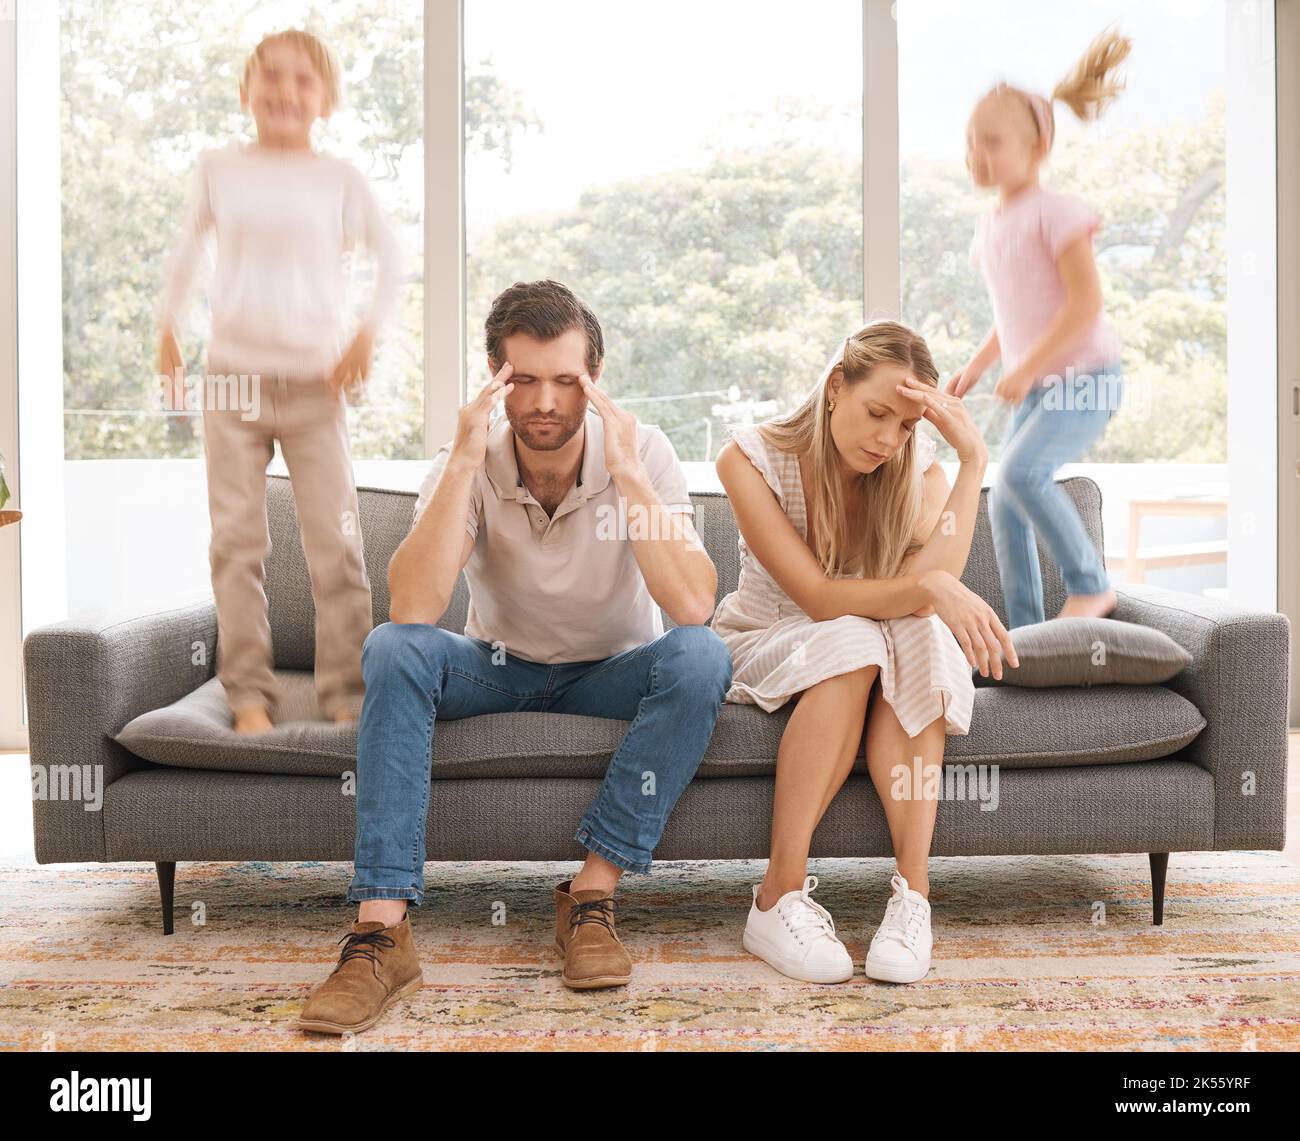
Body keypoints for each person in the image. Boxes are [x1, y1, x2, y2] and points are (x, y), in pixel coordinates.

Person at [295, 280, 733, 1034]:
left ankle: (591, 899)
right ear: (496, 379)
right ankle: (380, 932)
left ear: (594, 382)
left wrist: (627, 476)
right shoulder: (468, 458)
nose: (545, 402)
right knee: (393, 646)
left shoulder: (645, 451)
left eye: (566, 381)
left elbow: (693, 605)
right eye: (524, 380)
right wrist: (465, 463)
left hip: (610, 673)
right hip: (496, 668)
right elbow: (413, 608)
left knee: (701, 657)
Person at [713, 319, 1016, 985]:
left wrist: (973, 463)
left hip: (873, 631)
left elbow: (931, 588)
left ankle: (913, 894)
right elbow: (819, 597)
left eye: (907, 426)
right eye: (877, 413)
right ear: (833, 388)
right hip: (769, 632)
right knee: (850, 634)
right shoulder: (750, 457)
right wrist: (928, 584)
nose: (888, 438)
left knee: (929, 636)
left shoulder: (916, 474)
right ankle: (777, 895)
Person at [156, 28, 403, 733]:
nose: (285, 90)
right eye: (270, 75)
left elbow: (393, 260)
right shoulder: (218, 169)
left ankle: (347, 695)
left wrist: (364, 334)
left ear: (325, 98)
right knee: (237, 544)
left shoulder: (340, 180)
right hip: (231, 382)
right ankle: (248, 697)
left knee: (338, 542)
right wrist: (166, 330)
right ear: (245, 89)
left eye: (303, 79)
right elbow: (184, 257)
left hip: (313, 388)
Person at [950, 27, 1132, 629]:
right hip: (1038, 387)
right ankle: (1027, 633)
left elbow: (1084, 305)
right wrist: (981, 366)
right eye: (971, 144)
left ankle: (1091, 585)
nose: (979, 155)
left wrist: (1026, 367)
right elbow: (1015, 315)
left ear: (1037, 146)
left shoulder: (1057, 214)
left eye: (993, 143)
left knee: (1023, 474)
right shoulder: (992, 227)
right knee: (1005, 500)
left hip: (1088, 379)